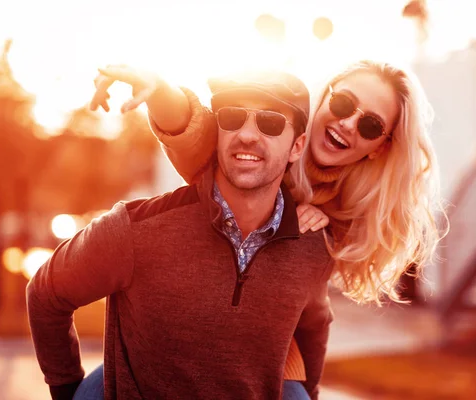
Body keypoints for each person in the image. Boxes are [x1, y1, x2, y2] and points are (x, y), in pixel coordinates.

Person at [90, 59, 446, 398]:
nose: (348, 124)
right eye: (343, 103)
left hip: (265, 361)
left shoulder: (350, 208)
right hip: (172, 343)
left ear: (379, 147)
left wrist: (324, 226)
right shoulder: (256, 137)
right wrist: (159, 91)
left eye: (370, 125)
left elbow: (314, 319)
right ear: (325, 97)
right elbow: (192, 129)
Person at [27, 70, 334, 400]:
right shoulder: (135, 230)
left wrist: (309, 393)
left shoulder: (311, 248)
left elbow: (314, 325)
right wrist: (68, 391)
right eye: (232, 118)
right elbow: (47, 293)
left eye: (270, 123)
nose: (246, 135)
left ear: (297, 146)